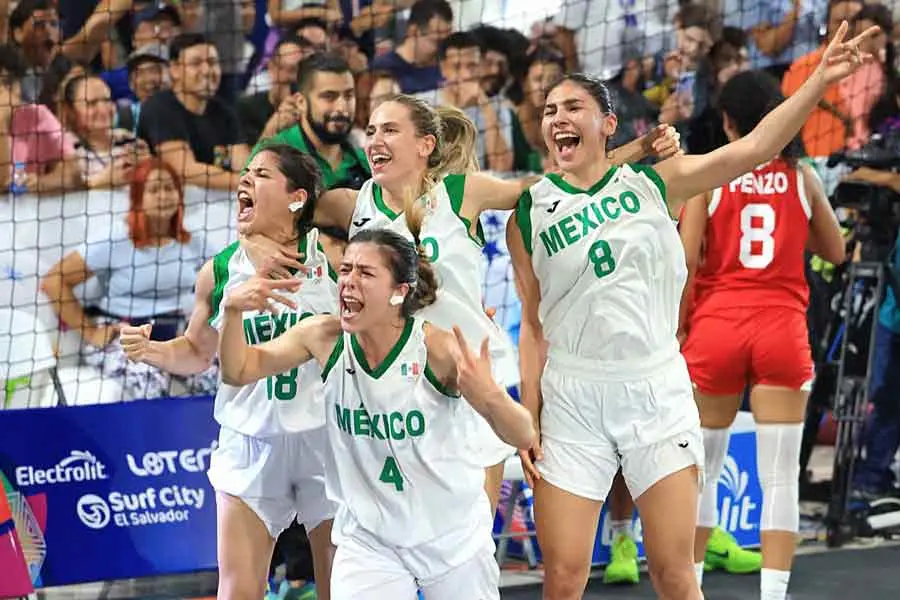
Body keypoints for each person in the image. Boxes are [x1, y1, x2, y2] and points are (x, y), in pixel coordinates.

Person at [507, 22, 875, 600]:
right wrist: (529, 413)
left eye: (573, 107)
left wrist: (818, 80)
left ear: (608, 124)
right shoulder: (528, 212)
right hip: (573, 395)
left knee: (674, 574)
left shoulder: (659, 181)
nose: (557, 118)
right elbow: (531, 324)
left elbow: (755, 148)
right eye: (550, 110)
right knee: (564, 577)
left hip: (655, 388)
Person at [248, 94, 680, 512]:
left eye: (390, 130)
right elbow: (268, 208)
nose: (375, 140)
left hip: (467, 385)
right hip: (394, 393)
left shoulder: (461, 193)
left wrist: (639, 149)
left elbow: (556, 186)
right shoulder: (351, 204)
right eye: (372, 131)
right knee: (395, 532)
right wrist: (255, 245)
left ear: (425, 145)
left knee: (469, 537)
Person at [217, 227, 535, 599]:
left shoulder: (438, 350)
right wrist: (232, 311)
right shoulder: (323, 337)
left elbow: (523, 434)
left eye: (365, 273)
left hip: (450, 536)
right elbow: (238, 370)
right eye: (346, 269)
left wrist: (492, 397)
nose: (348, 282)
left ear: (399, 292)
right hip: (369, 543)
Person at [119, 144, 338, 600]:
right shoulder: (220, 270)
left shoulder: (334, 257)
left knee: (342, 588)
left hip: (325, 437)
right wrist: (152, 351)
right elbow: (197, 353)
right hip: (250, 439)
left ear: (297, 198)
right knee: (237, 590)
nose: (245, 179)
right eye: (246, 172)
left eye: (262, 174)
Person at [678, 70, 847, 600]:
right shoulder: (801, 176)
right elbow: (836, 250)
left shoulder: (709, 174)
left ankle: (691, 588)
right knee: (780, 477)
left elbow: (685, 263)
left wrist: (678, 330)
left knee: (701, 472)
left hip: (717, 328)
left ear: (727, 122)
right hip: (781, 329)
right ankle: (773, 594)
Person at [40, 158, 215, 401]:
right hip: (126, 335)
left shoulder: (194, 242)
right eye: (154, 189)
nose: (163, 196)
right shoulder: (116, 238)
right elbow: (53, 281)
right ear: (138, 197)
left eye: (169, 188)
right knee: (149, 381)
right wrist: (91, 332)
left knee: (216, 375)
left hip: (179, 333)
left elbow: (225, 284)